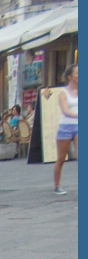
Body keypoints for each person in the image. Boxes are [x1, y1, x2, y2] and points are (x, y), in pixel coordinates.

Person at [53, 64, 78, 194]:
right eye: (77, 73)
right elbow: (66, 110)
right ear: (70, 76)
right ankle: (57, 186)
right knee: (61, 159)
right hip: (66, 125)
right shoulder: (63, 93)